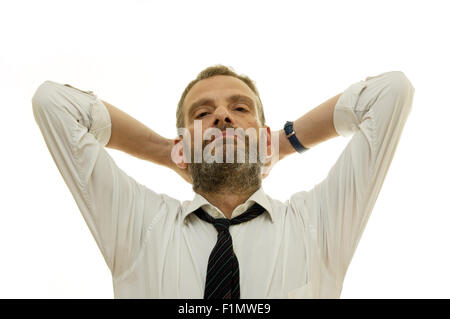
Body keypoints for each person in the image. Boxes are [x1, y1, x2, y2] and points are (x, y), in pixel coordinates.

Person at [32, 65, 415, 298]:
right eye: (203, 113)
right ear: (185, 142)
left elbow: (390, 93)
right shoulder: (141, 226)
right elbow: (54, 103)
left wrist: (279, 144)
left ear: (260, 131)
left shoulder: (315, 223)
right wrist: (170, 152)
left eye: (240, 108)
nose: (222, 116)